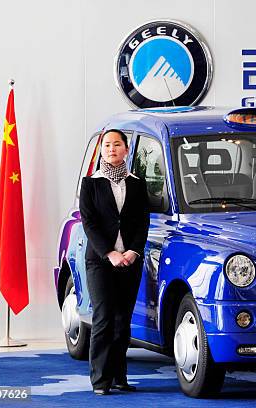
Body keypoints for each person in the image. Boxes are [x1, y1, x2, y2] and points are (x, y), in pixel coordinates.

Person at [79, 129, 149, 395]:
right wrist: (110, 253)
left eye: (117, 144)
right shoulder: (91, 183)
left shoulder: (137, 183)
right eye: (107, 145)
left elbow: (143, 222)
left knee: (123, 321)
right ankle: (100, 380)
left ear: (126, 149)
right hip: (100, 262)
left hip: (130, 260)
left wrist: (133, 251)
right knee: (104, 318)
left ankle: (120, 377)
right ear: (102, 149)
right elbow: (90, 224)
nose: (112, 149)